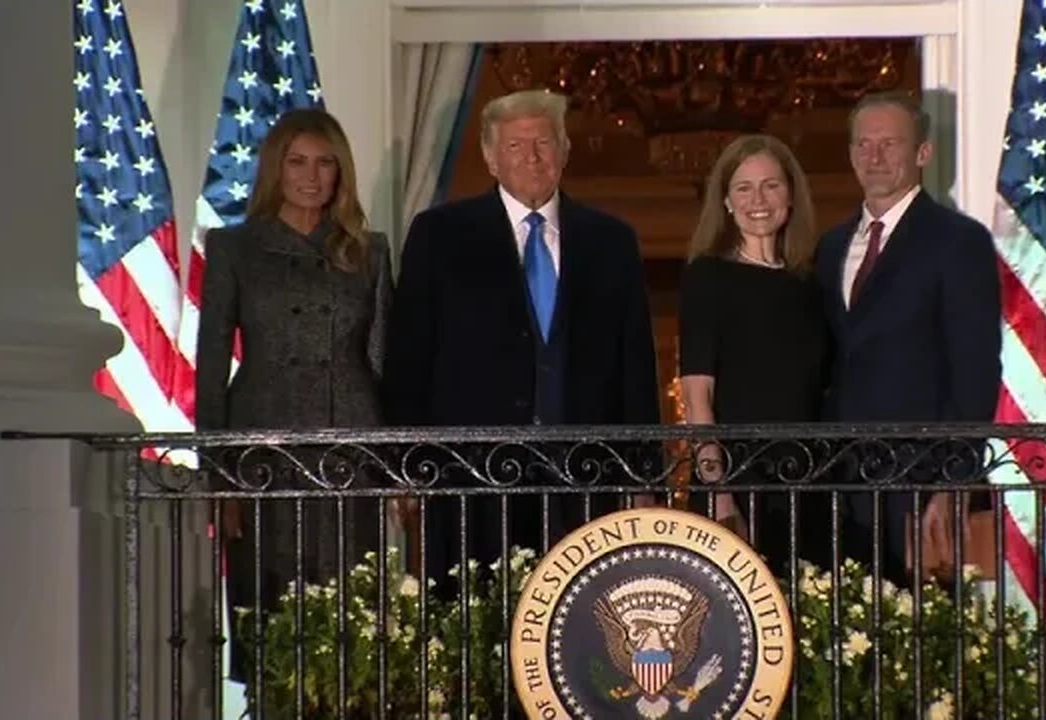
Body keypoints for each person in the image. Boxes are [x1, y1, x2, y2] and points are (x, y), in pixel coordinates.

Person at [382, 90, 661, 592]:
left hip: (584, 479)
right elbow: (409, 356)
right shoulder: (440, 235)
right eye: (515, 146)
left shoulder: (611, 241)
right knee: (472, 624)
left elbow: (635, 364)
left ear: (564, 150)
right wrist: (407, 465)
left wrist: (645, 475)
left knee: (578, 629)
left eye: (543, 142)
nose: (532, 157)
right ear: (490, 158)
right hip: (471, 479)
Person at [194, 108, 393, 680]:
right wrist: (219, 475)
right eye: (298, 162)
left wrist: (397, 468)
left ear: (341, 173)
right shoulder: (235, 249)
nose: (312, 176)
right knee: (270, 619)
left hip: (351, 452)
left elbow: (384, 365)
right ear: (275, 170)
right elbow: (210, 367)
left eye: (326, 163)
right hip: (263, 453)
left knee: (353, 623)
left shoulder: (369, 251)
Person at [815, 91, 1002, 585]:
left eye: (890, 144)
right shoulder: (831, 246)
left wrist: (953, 481)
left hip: (921, 486)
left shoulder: (958, 241)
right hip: (843, 488)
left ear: (923, 153)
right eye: (863, 144)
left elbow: (976, 370)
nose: (874, 157)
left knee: (923, 647)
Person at [677, 134, 829, 573]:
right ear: (725, 200)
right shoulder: (707, 276)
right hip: (738, 480)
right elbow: (697, 392)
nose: (757, 200)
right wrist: (718, 488)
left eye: (771, 186)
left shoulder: (811, 283)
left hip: (809, 478)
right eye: (743, 188)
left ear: (791, 196)